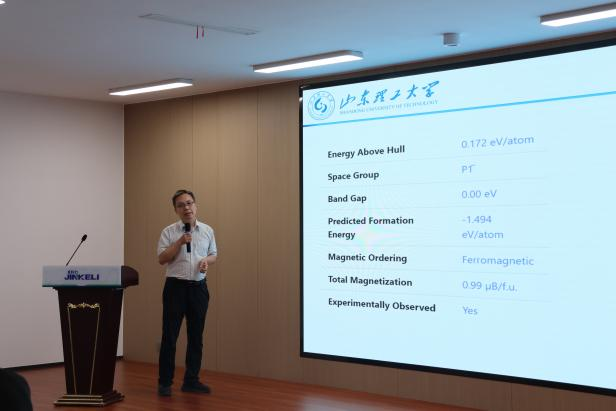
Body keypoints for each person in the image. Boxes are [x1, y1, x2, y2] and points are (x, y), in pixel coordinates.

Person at [157, 189, 217, 397]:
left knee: (196, 336)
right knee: (169, 336)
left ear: (195, 205)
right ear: (176, 209)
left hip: (198, 288)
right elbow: (162, 258)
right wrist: (180, 242)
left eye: (189, 203)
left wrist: (205, 262)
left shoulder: (207, 230)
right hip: (175, 288)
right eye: (181, 205)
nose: (186, 208)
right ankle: (165, 383)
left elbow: (213, 254)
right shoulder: (169, 232)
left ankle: (191, 381)